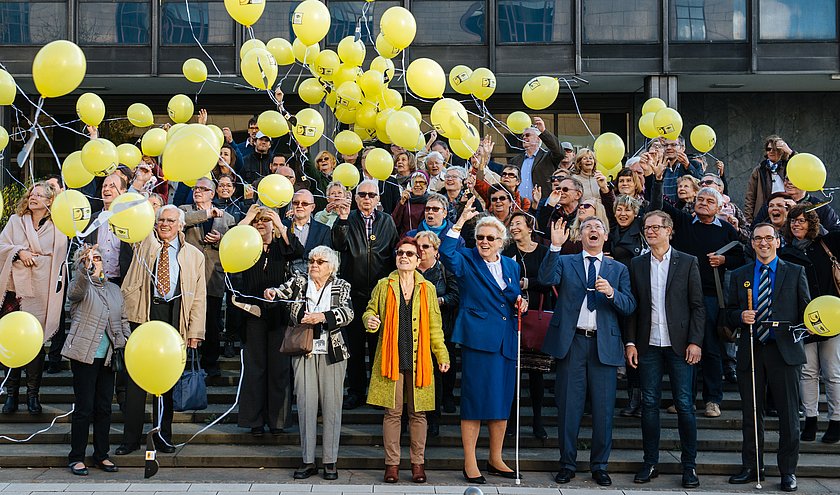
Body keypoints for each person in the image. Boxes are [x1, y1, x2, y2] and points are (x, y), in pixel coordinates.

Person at [538, 215, 636, 486]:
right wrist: (554, 247)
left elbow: (629, 306)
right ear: (580, 236)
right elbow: (546, 279)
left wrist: (612, 294)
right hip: (573, 342)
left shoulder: (618, 269)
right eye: (587, 228)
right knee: (569, 407)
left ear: (605, 237)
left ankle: (599, 466)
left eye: (598, 228)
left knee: (604, 410)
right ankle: (567, 464)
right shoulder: (566, 261)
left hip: (604, 344)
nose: (593, 231)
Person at [440, 201, 527, 484]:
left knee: (501, 401)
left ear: (502, 241)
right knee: (475, 401)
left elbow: (511, 295)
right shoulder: (467, 260)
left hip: (506, 341)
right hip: (478, 340)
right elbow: (446, 252)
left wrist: (521, 301)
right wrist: (459, 221)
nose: (485, 242)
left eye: (491, 238)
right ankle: (470, 461)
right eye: (480, 237)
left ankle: (495, 457)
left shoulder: (512, 265)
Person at [651, 163, 745, 419]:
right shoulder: (682, 222)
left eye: (708, 201)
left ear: (718, 207)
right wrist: (657, 179)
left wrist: (725, 261)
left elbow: (741, 256)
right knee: (683, 348)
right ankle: (685, 398)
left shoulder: (726, 229)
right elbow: (657, 206)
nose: (703, 203)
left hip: (712, 297)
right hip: (681, 296)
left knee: (711, 348)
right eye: (699, 199)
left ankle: (713, 400)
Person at [725, 223, 810, 492]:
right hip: (752, 349)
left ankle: (788, 471)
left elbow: (807, 315)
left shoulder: (796, 272)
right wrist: (740, 316)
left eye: (768, 238)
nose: (763, 243)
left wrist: (790, 328)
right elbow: (726, 313)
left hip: (783, 352)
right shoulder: (739, 275)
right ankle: (752, 466)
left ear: (778, 242)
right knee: (752, 412)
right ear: (751, 243)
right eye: (758, 238)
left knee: (788, 416)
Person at [117, 205, 206, 455]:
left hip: (174, 316)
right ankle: (130, 439)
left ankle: (163, 435)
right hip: (144, 314)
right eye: (160, 220)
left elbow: (198, 297)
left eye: (170, 220)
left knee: (165, 381)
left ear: (181, 225)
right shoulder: (146, 245)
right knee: (135, 380)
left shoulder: (194, 255)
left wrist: (195, 331)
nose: (164, 224)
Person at [626, 211, 705, 488]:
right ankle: (650, 463)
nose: (650, 232)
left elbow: (698, 306)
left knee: (684, 404)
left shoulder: (687, 262)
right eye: (646, 228)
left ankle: (689, 466)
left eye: (656, 227)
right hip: (648, 345)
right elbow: (633, 308)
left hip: (681, 345)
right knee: (649, 405)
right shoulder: (636, 264)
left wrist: (695, 341)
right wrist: (631, 342)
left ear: (669, 230)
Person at [363, 237, 450, 484]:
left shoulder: (428, 289)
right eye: (401, 253)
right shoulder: (384, 285)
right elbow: (370, 310)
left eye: (410, 254)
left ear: (418, 259)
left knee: (418, 414)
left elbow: (435, 327)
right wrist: (369, 320)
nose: (404, 257)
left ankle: (417, 464)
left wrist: (441, 354)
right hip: (391, 359)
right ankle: (392, 465)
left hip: (419, 359)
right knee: (392, 413)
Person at [264, 246, 353, 481]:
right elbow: (280, 292)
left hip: (332, 351)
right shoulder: (299, 281)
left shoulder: (341, 285)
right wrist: (272, 292)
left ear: (331, 267)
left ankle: (330, 461)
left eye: (320, 261)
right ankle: (307, 460)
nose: (314, 265)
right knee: (305, 406)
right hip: (304, 349)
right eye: (312, 260)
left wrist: (323, 317)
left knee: (332, 407)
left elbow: (348, 313)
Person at [0, 181, 67, 415]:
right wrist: (19, 251)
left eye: (39, 195)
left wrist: (38, 259)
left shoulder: (59, 227)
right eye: (31, 194)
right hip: (14, 290)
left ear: (50, 201)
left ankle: (32, 396)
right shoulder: (15, 221)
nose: (33, 197)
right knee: (11, 341)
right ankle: (11, 395)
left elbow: (59, 260)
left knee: (35, 344)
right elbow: (1, 245)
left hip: (41, 291)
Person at [64, 244, 131, 476]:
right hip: (84, 354)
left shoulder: (114, 289)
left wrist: (126, 343)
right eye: (88, 258)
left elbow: (122, 320)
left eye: (98, 257)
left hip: (108, 357)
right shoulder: (79, 284)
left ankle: (101, 454)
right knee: (84, 408)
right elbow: (75, 293)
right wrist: (85, 269)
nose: (95, 261)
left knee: (104, 407)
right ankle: (76, 457)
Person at [236, 205, 302, 435]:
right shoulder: (245, 247)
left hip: (278, 314)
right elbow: (231, 242)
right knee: (255, 368)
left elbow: (297, 251)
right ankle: (254, 421)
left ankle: (278, 421)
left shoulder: (280, 247)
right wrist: (248, 217)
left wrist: (280, 224)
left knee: (279, 368)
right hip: (251, 313)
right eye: (258, 222)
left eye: (265, 221)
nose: (261, 224)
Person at [332, 180, 398, 409]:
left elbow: (392, 252)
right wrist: (341, 220)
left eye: (371, 195)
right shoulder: (347, 219)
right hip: (354, 293)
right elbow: (338, 245)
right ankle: (357, 391)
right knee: (355, 346)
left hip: (380, 295)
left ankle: (378, 393)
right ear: (356, 197)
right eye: (363, 194)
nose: (367, 199)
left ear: (378, 198)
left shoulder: (387, 220)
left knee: (379, 345)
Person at [779, 204, 840, 443]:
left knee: (833, 372)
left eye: (802, 220)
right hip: (803, 321)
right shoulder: (785, 252)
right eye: (793, 221)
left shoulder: (828, 243)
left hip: (832, 316)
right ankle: (810, 420)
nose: (796, 224)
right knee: (808, 372)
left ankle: (836, 421)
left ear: (812, 223)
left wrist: (810, 197)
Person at [502, 212, 552, 440]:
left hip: (537, 316)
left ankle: (538, 421)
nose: (514, 228)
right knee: (513, 372)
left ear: (530, 227)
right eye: (511, 225)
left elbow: (550, 280)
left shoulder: (543, 252)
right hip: (513, 316)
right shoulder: (508, 252)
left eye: (518, 224)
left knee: (536, 374)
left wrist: (527, 283)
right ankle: (512, 421)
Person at [180, 177, 236, 378]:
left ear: (212, 194)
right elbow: (183, 222)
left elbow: (234, 247)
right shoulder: (184, 210)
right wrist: (206, 214)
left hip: (213, 276)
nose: (198, 191)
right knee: (186, 319)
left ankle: (210, 363)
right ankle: (183, 363)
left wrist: (221, 240)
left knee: (211, 321)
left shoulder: (228, 218)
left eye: (203, 189)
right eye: (196, 188)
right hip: (188, 275)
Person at [414, 231, 460, 434]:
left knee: (438, 377)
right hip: (413, 331)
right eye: (419, 246)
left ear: (436, 250)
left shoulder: (444, 269)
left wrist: (439, 301)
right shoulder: (409, 269)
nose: (421, 250)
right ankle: (412, 418)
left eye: (426, 247)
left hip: (440, 329)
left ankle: (434, 419)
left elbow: (455, 295)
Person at [508, 117, 564, 200]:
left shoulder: (547, 157)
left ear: (538, 138)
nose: (524, 138)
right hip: (519, 206)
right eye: (523, 136)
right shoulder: (515, 160)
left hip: (541, 204)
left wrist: (543, 131)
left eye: (528, 135)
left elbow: (559, 152)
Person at [744, 135, 792, 223]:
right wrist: (749, 220)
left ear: (782, 151)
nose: (771, 152)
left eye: (775, 149)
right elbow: (750, 197)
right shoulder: (759, 170)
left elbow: (801, 166)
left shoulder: (789, 167)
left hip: (786, 211)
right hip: (764, 214)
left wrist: (790, 152)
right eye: (768, 149)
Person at [283, 189, 331, 274]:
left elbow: (325, 259)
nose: (299, 206)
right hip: (284, 277)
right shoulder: (282, 226)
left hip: (312, 278)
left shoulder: (323, 230)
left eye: (304, 203)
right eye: (296, 203)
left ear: (312, 207)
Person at [392, 171, 430, 236]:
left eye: (421, 182)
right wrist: (401, 203)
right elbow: (394, 223)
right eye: (415, 182)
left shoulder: (431, 201)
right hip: (407, 239)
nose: (417, 185)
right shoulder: (405, 201)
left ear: (426, 186)